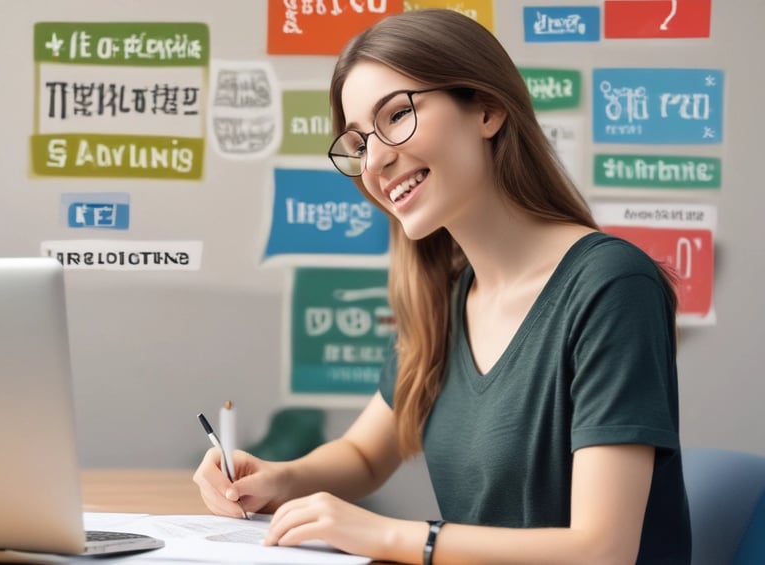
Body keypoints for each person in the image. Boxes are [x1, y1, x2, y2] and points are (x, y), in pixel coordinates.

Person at [194, 8, 691, 564]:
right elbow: (365, 455)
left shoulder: (612, 286)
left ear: (487, 109)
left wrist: (390, 535)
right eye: (358, 144)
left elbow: (602, 550)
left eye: (397, 115)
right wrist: (279, 479)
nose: (375, 160)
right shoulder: (447, 297)